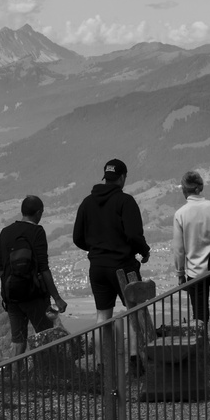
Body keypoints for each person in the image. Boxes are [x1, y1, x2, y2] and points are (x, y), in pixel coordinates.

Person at [71, 158, 151, 373]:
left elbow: (77, 237)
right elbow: (134, 234)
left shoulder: (87, 202)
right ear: (123, 178)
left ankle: (100, 365)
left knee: (102, 315)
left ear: (105, 177)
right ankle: (135, 362)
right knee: (133, 310)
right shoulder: (125, 201)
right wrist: (144, 251)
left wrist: (96, 249)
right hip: (123, 266)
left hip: (97, 267)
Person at [0, 195, 68, 356]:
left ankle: (15, 378)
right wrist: (57, 298)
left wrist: (12, 284)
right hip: (35, 296)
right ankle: (48, 374)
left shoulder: (5, 232)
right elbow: (44, 268)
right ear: (38, 213)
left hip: (12, 297)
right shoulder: (37, 231)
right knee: (45, 336)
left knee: (18, 341)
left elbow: (0, 268)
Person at [173, 169, 210, 357]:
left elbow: (179, 249)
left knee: (199, 316)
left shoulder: (180, 214)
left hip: (195, 273)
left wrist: (180, 274)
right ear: (200, 187)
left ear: (184, 190)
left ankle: (201, 355)